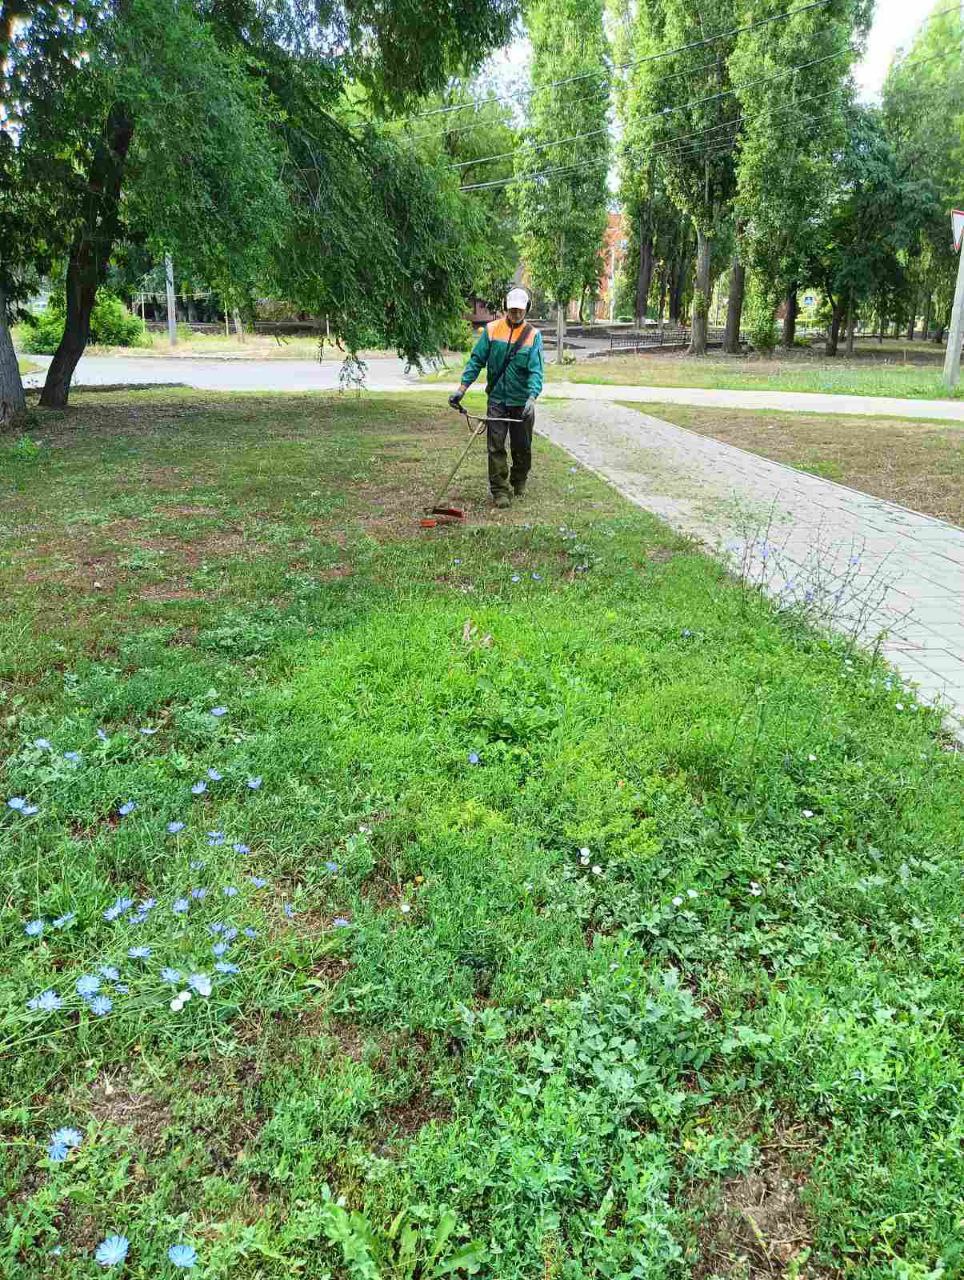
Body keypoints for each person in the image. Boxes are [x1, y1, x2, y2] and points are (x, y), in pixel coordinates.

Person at [448, 287, 544, 509]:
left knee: (522, 446)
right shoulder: (491, 331)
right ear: (505, 308)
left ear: (526, 309)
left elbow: (536, 371)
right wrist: (461, 389)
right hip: (497, 400)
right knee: (495, 446)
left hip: (522, 401)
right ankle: (500, 490)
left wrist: (532, 398)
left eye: (520, 310)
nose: (516, 313)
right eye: (512, 309)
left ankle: (519, 479)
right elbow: (476, 361)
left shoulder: (533, 336)